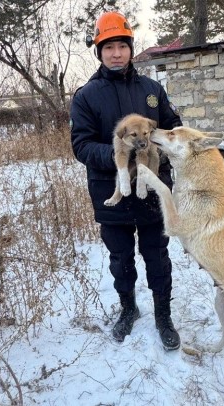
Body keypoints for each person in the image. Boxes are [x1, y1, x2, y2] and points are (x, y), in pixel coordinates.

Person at [69, 11, 182, 350]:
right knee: (120, 258)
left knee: (157, 255)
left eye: (122, 45)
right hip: (111, 191)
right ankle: (128, 309)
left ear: (131, 48)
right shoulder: (86, 96)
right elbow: (81, 145)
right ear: (99, 51)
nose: (116, 53)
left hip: (152, 191)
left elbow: (170, 129)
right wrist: (121, 155)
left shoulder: (152, 90)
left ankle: (163, 315)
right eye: (109, 47)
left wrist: (164, 153)